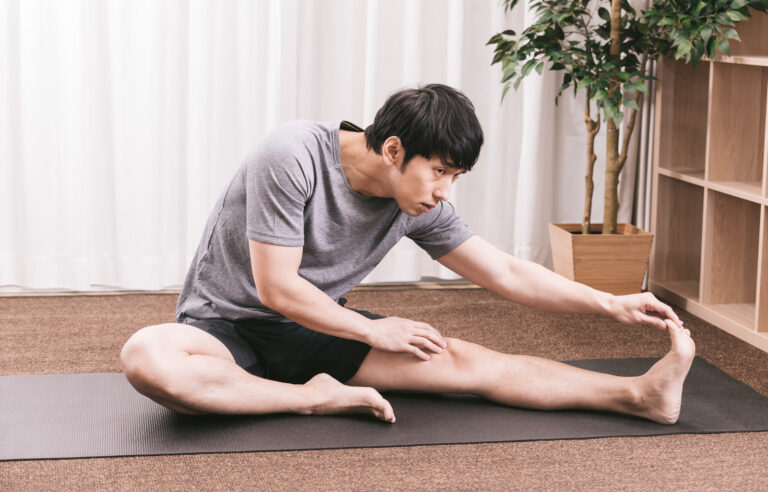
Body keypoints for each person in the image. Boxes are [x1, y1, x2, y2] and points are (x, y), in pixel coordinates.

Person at [121, 83, 695, 425]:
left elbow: (505, 272)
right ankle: (309, 398)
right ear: (394, 150)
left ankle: (636, 394)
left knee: (467, 363)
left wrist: (608, 302)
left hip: (317, 328)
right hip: (223, 328)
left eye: (455, 176)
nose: (445, 191)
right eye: (440, 171)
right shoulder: (292, 155)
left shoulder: (418, 203)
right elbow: (277, 289)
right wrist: (375, 331)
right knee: (149, 357)